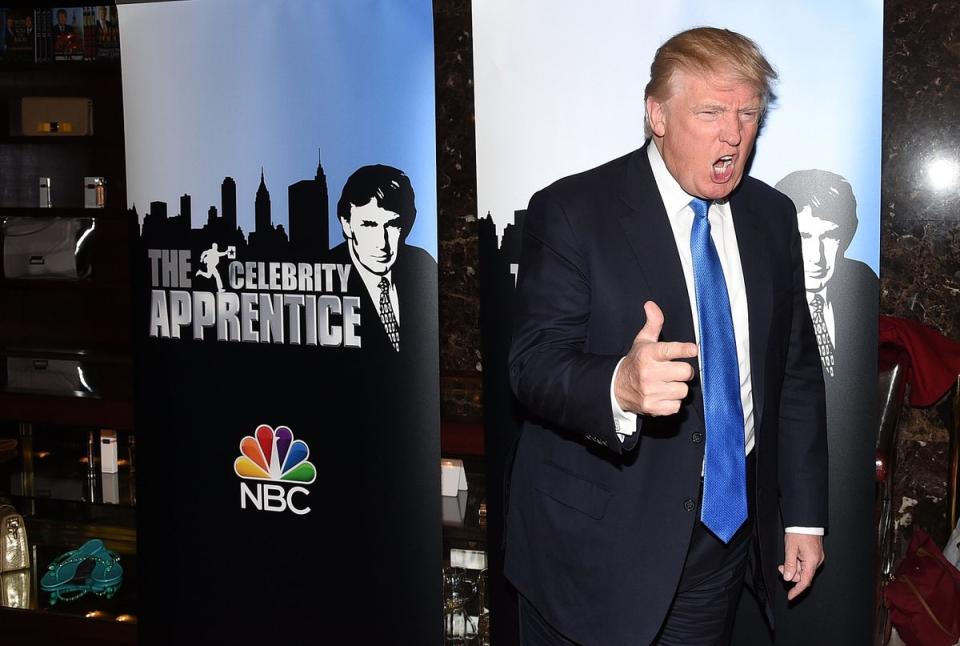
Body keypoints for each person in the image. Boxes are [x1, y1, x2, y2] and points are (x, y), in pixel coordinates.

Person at [505, 27, 828, 645]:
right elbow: (530, 365)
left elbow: (794, 375)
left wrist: (805, 518)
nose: (733, 133)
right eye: (710, 111)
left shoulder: (771, 216)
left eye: (748, 113)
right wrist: (618, 386)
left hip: (717, 547)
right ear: (656, 114)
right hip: (592, 553)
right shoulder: (574, 212)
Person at [775, 169, 878, 381]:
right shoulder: (760, 291)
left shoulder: (862, 282)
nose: (817, 256)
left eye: (830, 236)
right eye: (803, 236)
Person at [330, 164, 437, 357]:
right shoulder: (325, 273)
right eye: (369, 225)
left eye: (392, 225)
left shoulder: (422, 264)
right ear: (347, 225)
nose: (382, 243)